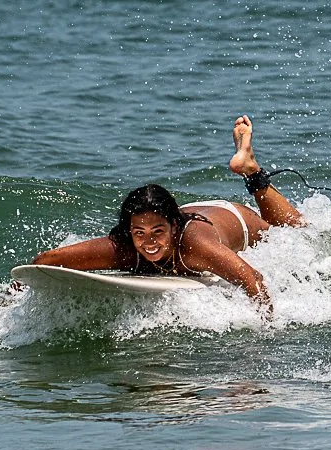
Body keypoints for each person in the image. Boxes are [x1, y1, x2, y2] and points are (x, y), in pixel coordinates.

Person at [30, 117, 304, 314]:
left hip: (236, 219)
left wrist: (267, 330)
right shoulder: (126, 246)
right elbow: (44, 263)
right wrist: (13, 299)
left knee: (298, 231)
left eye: (158, 233)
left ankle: (252, 170)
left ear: (174, 228)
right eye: (139, 233)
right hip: (177, 210)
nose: (148, 243)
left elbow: (252, 279)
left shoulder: (196, 247)